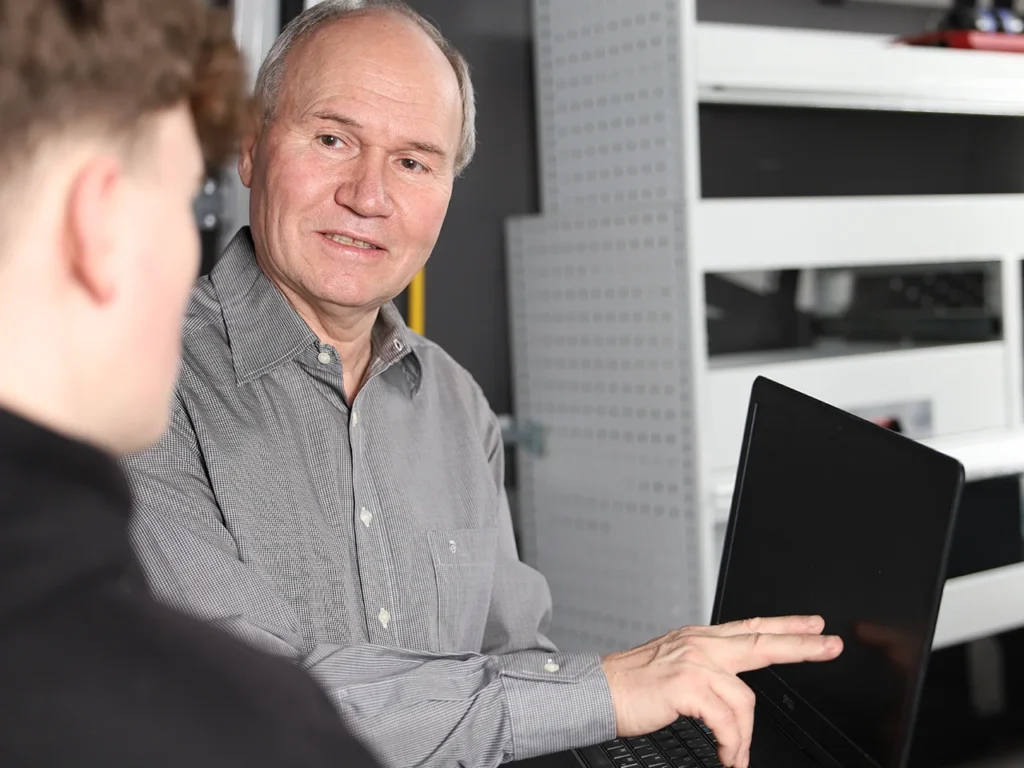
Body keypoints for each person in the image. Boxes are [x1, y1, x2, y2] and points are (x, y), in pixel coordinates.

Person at [120, 2, 844, 767]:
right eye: (333, 140)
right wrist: (604, 690)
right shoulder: (134, 383)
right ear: (250, 146)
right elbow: (244, 703)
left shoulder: (455, 404)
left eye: (413, 162)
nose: (369, 196)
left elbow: (514, 664)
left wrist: (635, 698)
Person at [0, 1, 383, 765]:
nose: (368, 197)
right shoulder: (251, 733)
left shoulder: (456, 408)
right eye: (182, 200)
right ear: (101, 226)